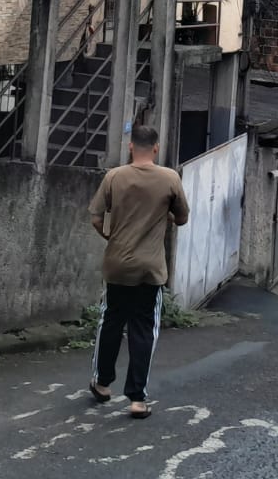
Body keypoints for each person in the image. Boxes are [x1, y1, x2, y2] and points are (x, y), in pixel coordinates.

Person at [87, 124, 189, 418]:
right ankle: (137, 399)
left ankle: (103, 383)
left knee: (110, 322)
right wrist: (163, 216)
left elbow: (95, 217)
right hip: (150, 268)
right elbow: (182, 218)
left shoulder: (114, 176)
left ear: (131, 146)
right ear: (156, 148)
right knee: (143, 329)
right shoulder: (170, 178)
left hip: (117, 264)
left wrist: (110, 237)